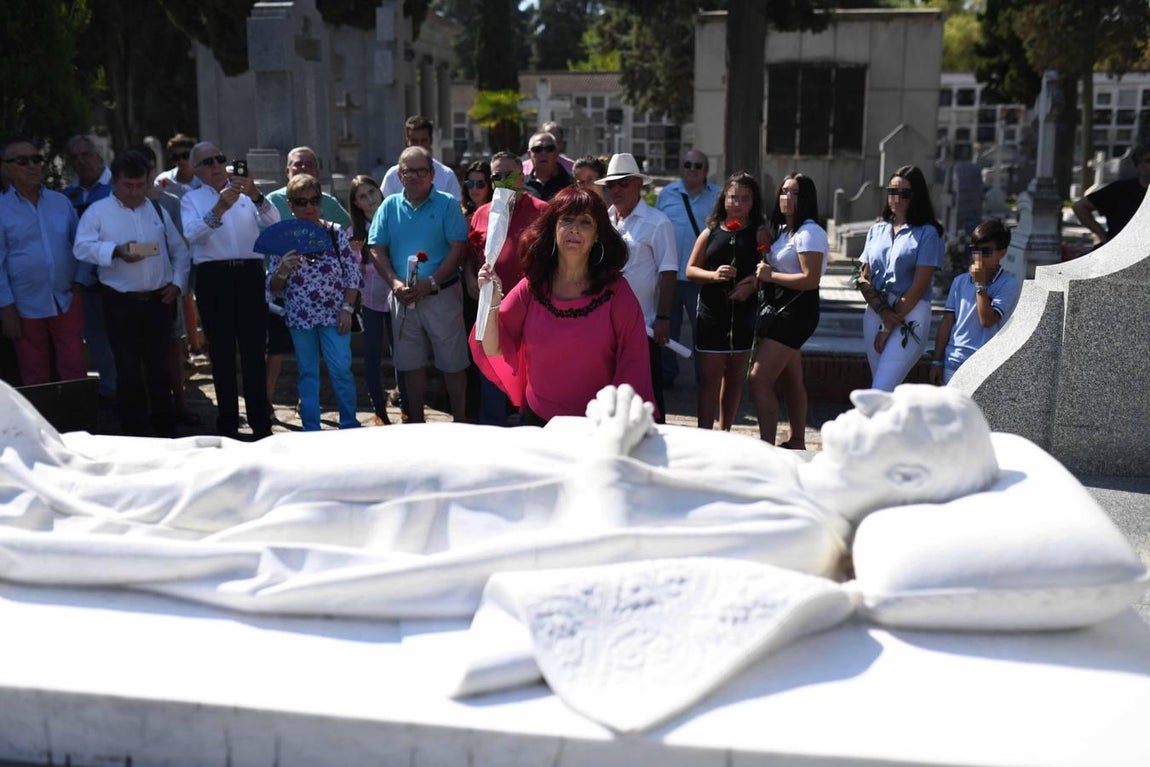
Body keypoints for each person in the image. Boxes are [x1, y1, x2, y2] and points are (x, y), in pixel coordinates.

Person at [0, 379, 1001, 620]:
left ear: (907, 480)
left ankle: (68, 504)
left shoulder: (800, 529)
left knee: (263, 485)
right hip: (494, 457)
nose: (865, 395)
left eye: (893, 415)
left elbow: (616, 546)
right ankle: (88, 474)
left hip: (477, 506)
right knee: (270, 465)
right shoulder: (786, 470)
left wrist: (611, 443)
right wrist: (623, 417)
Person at [472, 185, 656, 424]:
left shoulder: (617, 292)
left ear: (598, 233)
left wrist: (620, 425)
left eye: (585, 222)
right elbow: (492, 348)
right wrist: (492, 304)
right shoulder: (532, 287)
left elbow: (633, 365)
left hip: (599, 426)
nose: (574, 230)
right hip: (538, 422)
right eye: (566, 220)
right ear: (553, 228)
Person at [73, 151, 191, 437]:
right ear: (114, 182)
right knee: (127, 370)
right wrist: (115, 251)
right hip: (120, 302)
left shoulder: (157, 209)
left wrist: (177, 284)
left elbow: (179, 250)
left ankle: (165, 430)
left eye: (140, 185)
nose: (135, 192)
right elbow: (81, 247)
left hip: (158, 300)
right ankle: (134, 432)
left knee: (159, 369)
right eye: (128, 186)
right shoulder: (98, 212)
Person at [181, 141, 279, 439]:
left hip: (249, 273)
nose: (215, 167)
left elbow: (274, 222)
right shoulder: (192, 199)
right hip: (215, 276)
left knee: (253, 351)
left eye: (219, 160)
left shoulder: (248, 193)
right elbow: (193, 235)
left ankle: (260, 422)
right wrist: (220, 207)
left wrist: (255, 194)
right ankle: (227, 423)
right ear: (196, 170)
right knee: (222, 354)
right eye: (207, 162)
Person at [367, 146, 469, 423]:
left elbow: (458, 247)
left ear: (432, 174)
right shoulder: (388, 206)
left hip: (441, 293)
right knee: (410, 364)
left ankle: (461, 421)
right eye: (408, 171)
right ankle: (416, 422)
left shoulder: (448, 203)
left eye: (421, 170)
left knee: (453, 362)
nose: (414, 176)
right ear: (400, 175)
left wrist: (432, 281)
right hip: (403, 297)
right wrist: (395, 282)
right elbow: (375, 247)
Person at [267, 174, 362, 432]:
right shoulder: (284, 237)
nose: (309, 206)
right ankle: (311, 429)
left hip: (335, 315)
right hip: (300, 317)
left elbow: (353, 275)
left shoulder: (335, 232)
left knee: (341, 370)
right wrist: (283, 270)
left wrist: (347, 309)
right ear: (290, 205)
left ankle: (349, 425)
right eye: (301, 202)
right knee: (307, 373)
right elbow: (273, 287)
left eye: (314, 200)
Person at [466, 152, 549, 425]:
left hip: (530, 309)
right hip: (490, 309)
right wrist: (471, 280)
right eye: (496, 176)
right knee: (491, 373)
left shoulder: (543, 211)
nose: (502, 181)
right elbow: (471, 256)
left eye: (508, 175)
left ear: (522, 177)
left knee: (529, 380)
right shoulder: (481, 214)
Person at [748, 173, 828, 447]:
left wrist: (771, 276)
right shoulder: (785, 231)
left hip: (796, 313)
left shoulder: (810, 233)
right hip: (783, 309)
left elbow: (810, 279)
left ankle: (766, 446)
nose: (787, 198)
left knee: (759, 379)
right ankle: (796, 439)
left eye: (795, 193)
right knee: (792, 379)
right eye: (783, 192)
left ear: (806, 199)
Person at [596, 153, 677, 423]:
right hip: (606, 323)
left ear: (638, 184)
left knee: (649, 393)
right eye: (612, 185)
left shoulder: (658, 222)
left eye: (624, 183)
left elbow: (668, 272)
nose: (617, 189)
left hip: (646, 325)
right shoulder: (603, 221)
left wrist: (664, 318)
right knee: (610, 391)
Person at [0, 137, 87, 386]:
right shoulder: (1, 209)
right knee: (34, 371)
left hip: (66, 298)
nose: (32, 166)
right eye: (22, 161)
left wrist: (80, 281)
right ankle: (41, 425)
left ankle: (77, 421)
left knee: (74, 366)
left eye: (36, 159)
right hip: (24, 304)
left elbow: (82, 244)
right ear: (6, 167)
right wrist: (6, 309)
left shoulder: (61, 202)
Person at [685, 172, 764, 431]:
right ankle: (704, 433)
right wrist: (714, 275)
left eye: (744, 199)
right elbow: (690, 271)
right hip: (711, 314)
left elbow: (769, 269)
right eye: (733, 197)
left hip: (744, 314)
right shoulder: (709, 233)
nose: (737, 204)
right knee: (709, 379)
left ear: (753, 203)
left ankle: (725, 431)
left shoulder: (760, 234)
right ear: (724, 200)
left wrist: (753, 283)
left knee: (734, 378)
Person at [856, 165, 944, 391]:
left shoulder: (927, 233)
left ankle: (871, 427)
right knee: (883, 388)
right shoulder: (877, 230)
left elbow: (918, 287)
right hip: (876, 311)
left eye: (905, 193)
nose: (897, 198)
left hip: (910, 314)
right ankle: (896, 427)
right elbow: (864, 277)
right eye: (892, 191)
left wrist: (888, 325)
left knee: (880, 389)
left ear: (917, 197)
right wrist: (881, 310)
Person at [655, 149, 720, 388]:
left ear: (705, 170)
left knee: (701, 330)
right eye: (687, 164)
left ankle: (704, 377)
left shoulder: (718, 196)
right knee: (666, 329)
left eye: (698, 166)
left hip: (699, 276)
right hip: (669, 274)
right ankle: (666, 375)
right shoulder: (667, 194)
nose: (692, 169)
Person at [929, 218, 1020, 385]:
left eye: (986, 252)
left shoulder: (1008, 284)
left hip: (983, 366)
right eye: (975, 250)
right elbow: (947, 322)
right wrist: (936, 361)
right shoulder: (960, 281)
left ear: (1002, 252)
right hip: (953, 362)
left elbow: (987, 320)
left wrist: (980, 284)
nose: (978, 258)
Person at [62, 135, 117, 401]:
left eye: (86, 154)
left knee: (122, 338)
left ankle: (130, 389)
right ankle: (109, 389)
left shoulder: (116, 187)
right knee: (95, 337)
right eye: (75, 158)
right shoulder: (67, 195)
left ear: (98, 155)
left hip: (117, 275)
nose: (82, 162)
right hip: (82, 282)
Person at [347, 174, 395, 426]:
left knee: (402, 355)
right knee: (372, 357)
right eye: (362, 197)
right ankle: (379, 408)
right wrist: (355, 253)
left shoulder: (394, 219)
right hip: (371, 302)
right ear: (356, 203)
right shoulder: (353, 233)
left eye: (372, 192)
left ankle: (407, 403)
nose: (370, 199)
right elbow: (351, 271)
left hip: (399, 298)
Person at [1071, 144, 1150, 247]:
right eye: (1148, 161)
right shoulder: (1120, 189)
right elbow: (1080, 207)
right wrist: (1102, 235)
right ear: (1138, 165)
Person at [379, 115, 463, 202]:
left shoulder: (447, 175)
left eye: (423, 140)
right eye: (414, 141)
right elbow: (383, 208)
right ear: (407, 141)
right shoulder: (393, 175)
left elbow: (455, 209)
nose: (419, 145)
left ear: (431, 141)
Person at [266, 147, 352, 227]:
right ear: (287, 171)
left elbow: (351, 231)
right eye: (298, 164)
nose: (303, 168)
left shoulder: (330, 203)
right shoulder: (273, 200)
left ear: (317, 172)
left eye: (309, 164)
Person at [524, 131, 574, 202]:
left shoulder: (572, 184)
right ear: (529, 154)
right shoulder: (521, 185)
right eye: (537, 149)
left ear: (557, 152)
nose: (543, 153)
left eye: (549, 149)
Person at [153, 133, 202, 198]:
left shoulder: (203, 179)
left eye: (185, 155)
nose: (181, 160)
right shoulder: (164, 180)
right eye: (176, 157)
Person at [461, 159, 492, 224]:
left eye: (480, 184)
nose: (474, 188)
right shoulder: (460, 214)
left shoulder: (497, 215)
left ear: (490, 185)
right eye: (470, 184)